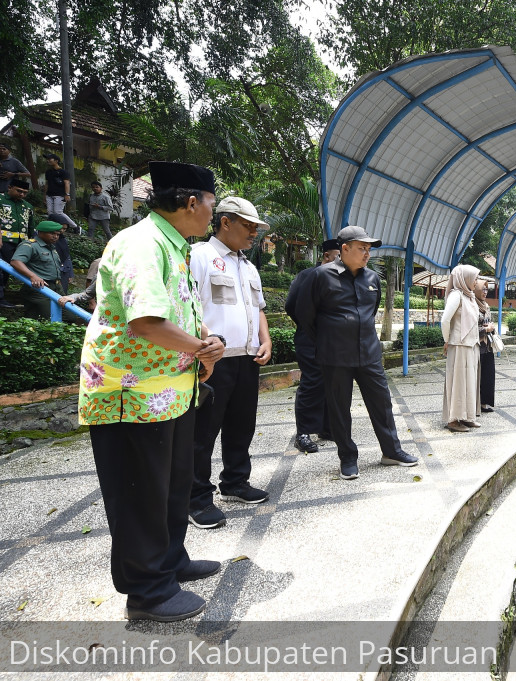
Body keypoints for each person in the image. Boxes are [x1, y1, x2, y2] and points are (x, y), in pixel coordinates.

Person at [79, 161, 226, 622]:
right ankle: (147, 592)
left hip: (169, 390)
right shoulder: (141, 243)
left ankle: (170, 562)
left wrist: (206, 342)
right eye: (210, 205)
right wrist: (203, 348)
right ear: (189, 203)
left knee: (172, 486)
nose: (211, 214)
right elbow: (144, 321)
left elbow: (178, 311)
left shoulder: (174, 244)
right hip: (132, 394)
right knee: (140, 492)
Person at [294, 225, 419, 479]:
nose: (367, 254)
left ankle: (391, 451)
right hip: (335, 356)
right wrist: (330, 339)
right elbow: (304, 316)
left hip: (369, 353)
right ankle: (348, 457)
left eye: (369, 249)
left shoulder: (372, 278)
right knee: (340, 408)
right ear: (344, 249)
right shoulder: (321, 276)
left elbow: (370, 312)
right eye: (362, 248)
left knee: (382, 403)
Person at [188, 196, 272, 530]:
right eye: (249, 226)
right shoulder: (200, 257)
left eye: (256, 228)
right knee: (202, 433)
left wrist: (265, 340)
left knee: (241, 427)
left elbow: (259, 308)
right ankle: (196, 499)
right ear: (226, 222)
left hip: (247, 360)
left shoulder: (249, 266)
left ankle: (235, 482)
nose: (254, 234)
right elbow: (187, 305)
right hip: (214, 361)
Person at [286, 239, 341, 453]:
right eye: (337, 256)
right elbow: (291, 305)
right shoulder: (308, 275)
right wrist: (310, 327)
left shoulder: (340, 277)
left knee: (332, 382)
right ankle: (303, 433)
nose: (340, 260)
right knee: (311, 383)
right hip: (310, 339)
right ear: (326, 256)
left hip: (333, 341)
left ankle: (327, 428)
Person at [441, 264, 481, 432]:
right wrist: (447, 339)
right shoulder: (456, 295)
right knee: (458, 382)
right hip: (458, 345)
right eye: (474, 278)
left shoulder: (469, 296)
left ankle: (467, 416)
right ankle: (453, 420)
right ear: (464, 279)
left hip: (471, 345)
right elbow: (445, 320)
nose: (476, 282)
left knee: (469, 382)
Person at [10, 219, 63, 319]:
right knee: (50, 317)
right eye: (52, 233)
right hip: (40, 288)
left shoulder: (52, 248)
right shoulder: (30, 245)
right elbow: (15, 262)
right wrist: (32, 276)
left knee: (71, 317)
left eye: (57, 234)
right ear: (40, 232)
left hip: (56, 288)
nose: (55, 237)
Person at [0, 177, 36, 307]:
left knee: (9, 270)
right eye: (19, 191)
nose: (22, 194)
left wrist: (31, 243)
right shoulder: (1, 200)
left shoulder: (27, 206)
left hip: (21, 243)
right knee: (2, 268)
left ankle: (3, 293)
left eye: (25, 192)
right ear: (9, 188)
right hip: (3, 240)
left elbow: (31, 226)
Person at [475, 277, 497, 413]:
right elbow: (470, 329)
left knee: (488, 375)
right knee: (477, 377)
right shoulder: (473, 306)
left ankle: (484, 403)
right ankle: (476, 404)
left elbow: (490, 321)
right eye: (482, 289)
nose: (485, 292)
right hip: (477, 346)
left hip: (487, 345)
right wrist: (484, 329)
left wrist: (492, 328)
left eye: (486, 289)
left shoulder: (486, 305)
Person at [42, 154, 77, 230]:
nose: (48, 161)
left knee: (58, 212)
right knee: (50, 213)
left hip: (60, 195)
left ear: (56, 161)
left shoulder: (63, 172)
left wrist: (67, 194)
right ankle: (54, 227)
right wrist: (44, 195)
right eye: (47, 159)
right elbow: (47, 184)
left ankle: (75, 227)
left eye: (50, 159)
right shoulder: (48, 172)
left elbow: (67, 183)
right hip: (49, 194)